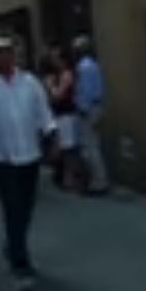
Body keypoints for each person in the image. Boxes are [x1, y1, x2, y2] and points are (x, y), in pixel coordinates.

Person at [0, 36, 56, 291]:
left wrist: (52, 136)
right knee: (12, 206)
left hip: (29, 153)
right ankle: (20, 262)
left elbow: (43, 113)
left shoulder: (30, 82)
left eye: (8, 52)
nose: (4, 57)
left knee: (26, 207)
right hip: (0, 156)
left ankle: (13, 244)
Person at [73, 35, 110, 195]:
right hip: (97, 106)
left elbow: (86, 91)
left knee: (89, 147)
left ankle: (99, 182)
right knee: (93, 144)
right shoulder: (94, 65)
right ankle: (99, 180)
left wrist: (82, 108)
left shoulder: (84, 67)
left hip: (89, 109)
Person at [44, 48, 82, 191]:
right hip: (59, 114)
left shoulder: (66, 75)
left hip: (66, 114)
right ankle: (66, 177)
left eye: (56, 58)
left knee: (67, 147)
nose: (53, 61)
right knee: (63, 147)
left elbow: (58, 95)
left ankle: (70, 178)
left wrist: (51, 86)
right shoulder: (56, 75)